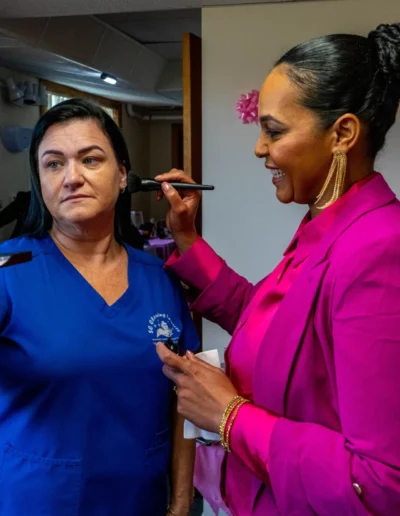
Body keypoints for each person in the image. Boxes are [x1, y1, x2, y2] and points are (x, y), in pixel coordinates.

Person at [156, 22, 400, 515]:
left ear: (343, 134)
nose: (259, 149)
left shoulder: (379, 248)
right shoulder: (327, 225)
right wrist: (188, 241)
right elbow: (277, 323)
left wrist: (229, 416)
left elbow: (378, 484)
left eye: (274, 131)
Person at [0, 98, 198, 516]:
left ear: (123, 174)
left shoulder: (158, 277)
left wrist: (182, 502)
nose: (71, 177)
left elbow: (187, 396)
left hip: (140, 500)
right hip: (38, 500)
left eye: (90, 159)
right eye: (53, 164)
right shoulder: (9, 270)